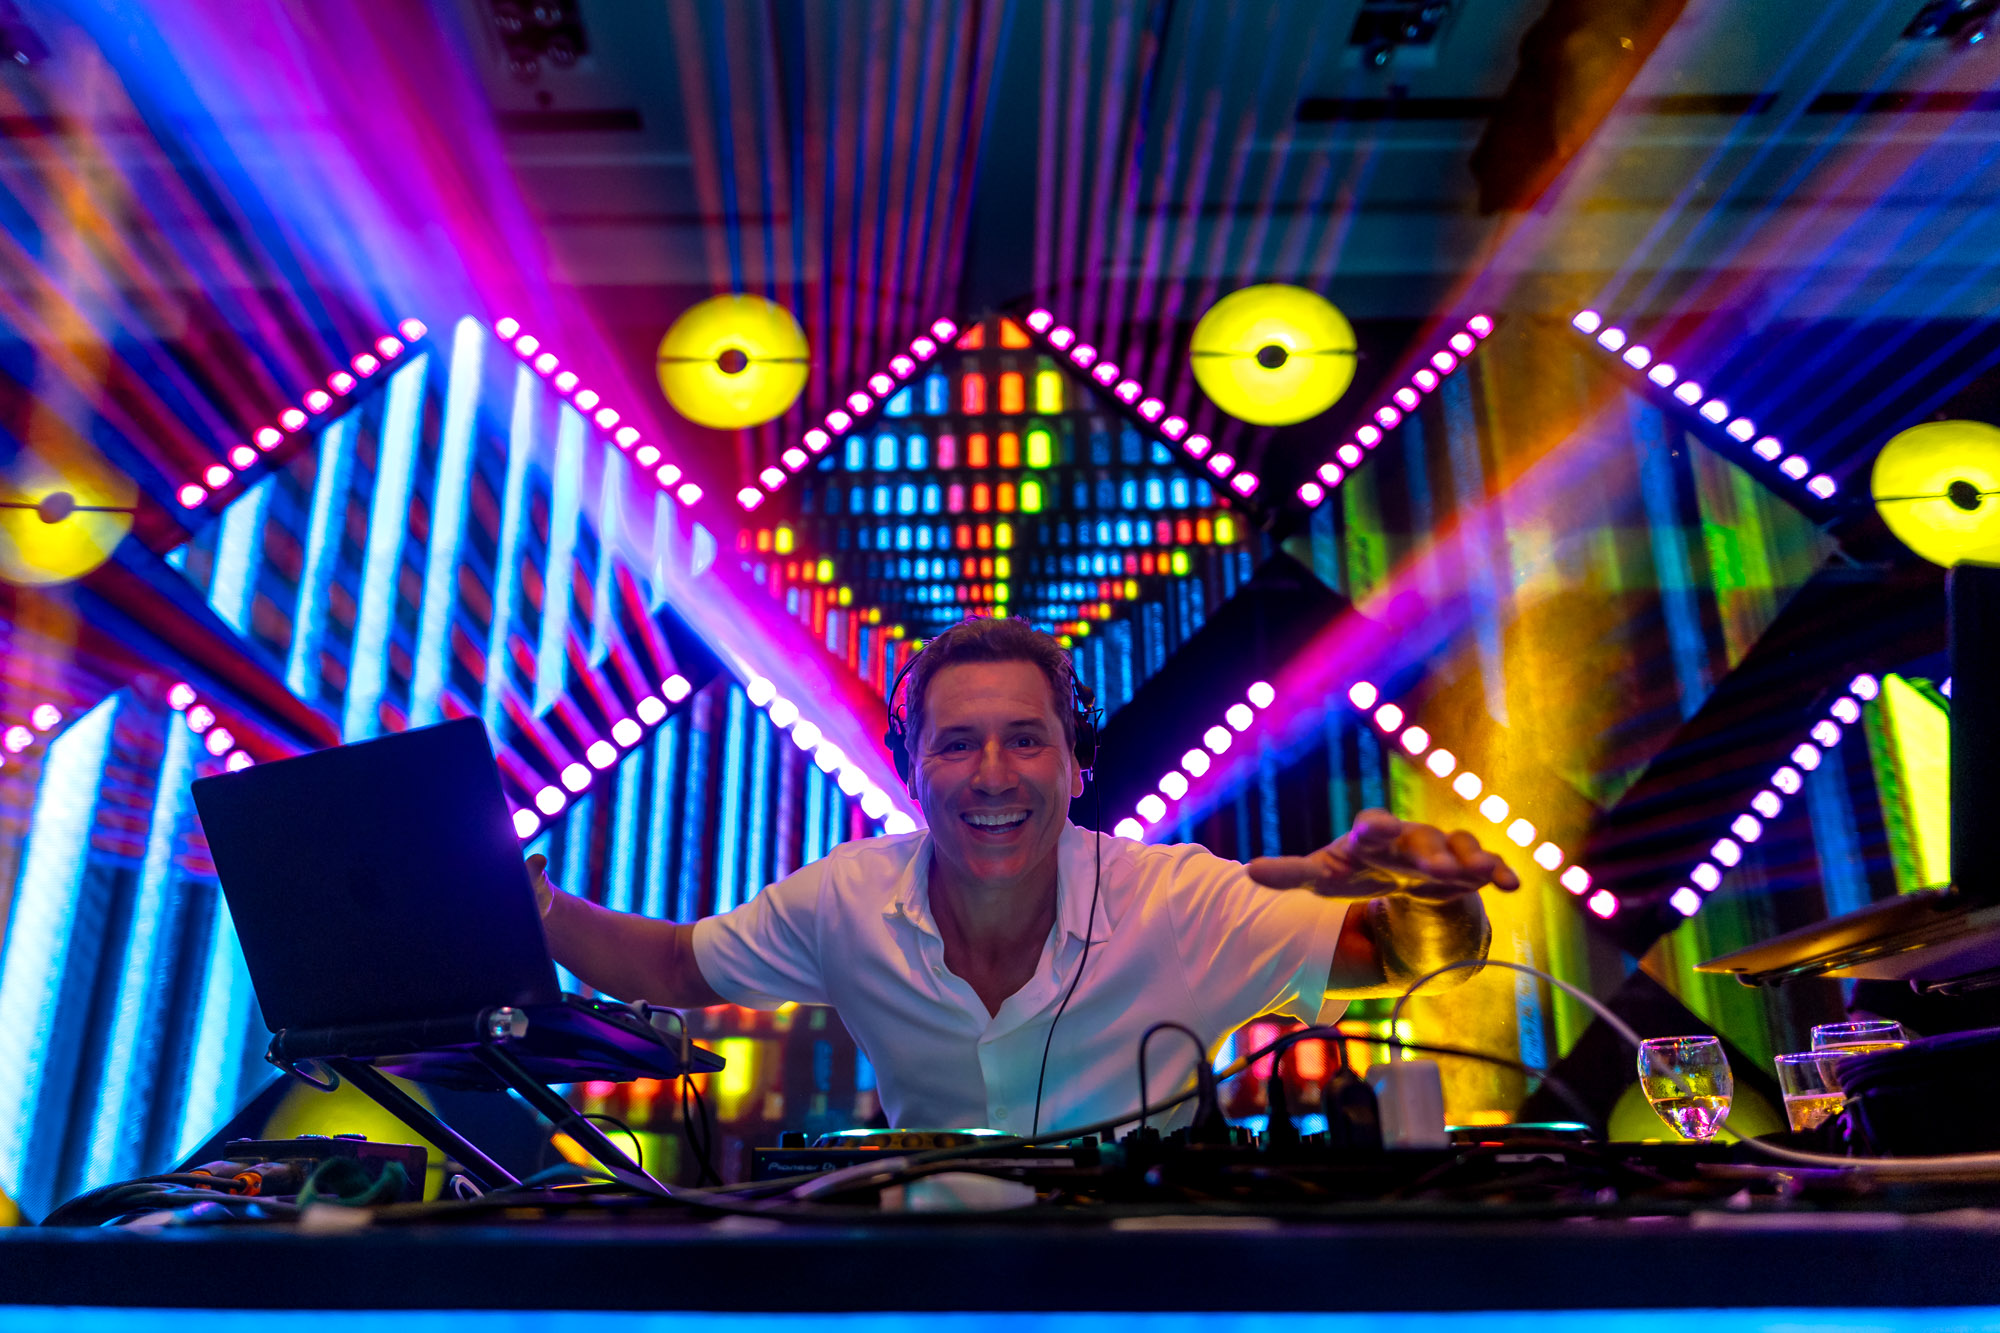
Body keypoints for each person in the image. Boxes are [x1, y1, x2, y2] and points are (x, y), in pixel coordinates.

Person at [534, 617, 1517, 1135]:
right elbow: (672, 967)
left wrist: (1431, 890)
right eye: (957, 743)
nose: (993, 775)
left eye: (1026, 740)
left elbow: (1405, 957)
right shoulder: (843, 896)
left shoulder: (1180, 897)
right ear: (911, 770)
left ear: (1078, 763)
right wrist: (528, 903)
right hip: (929, 1292)